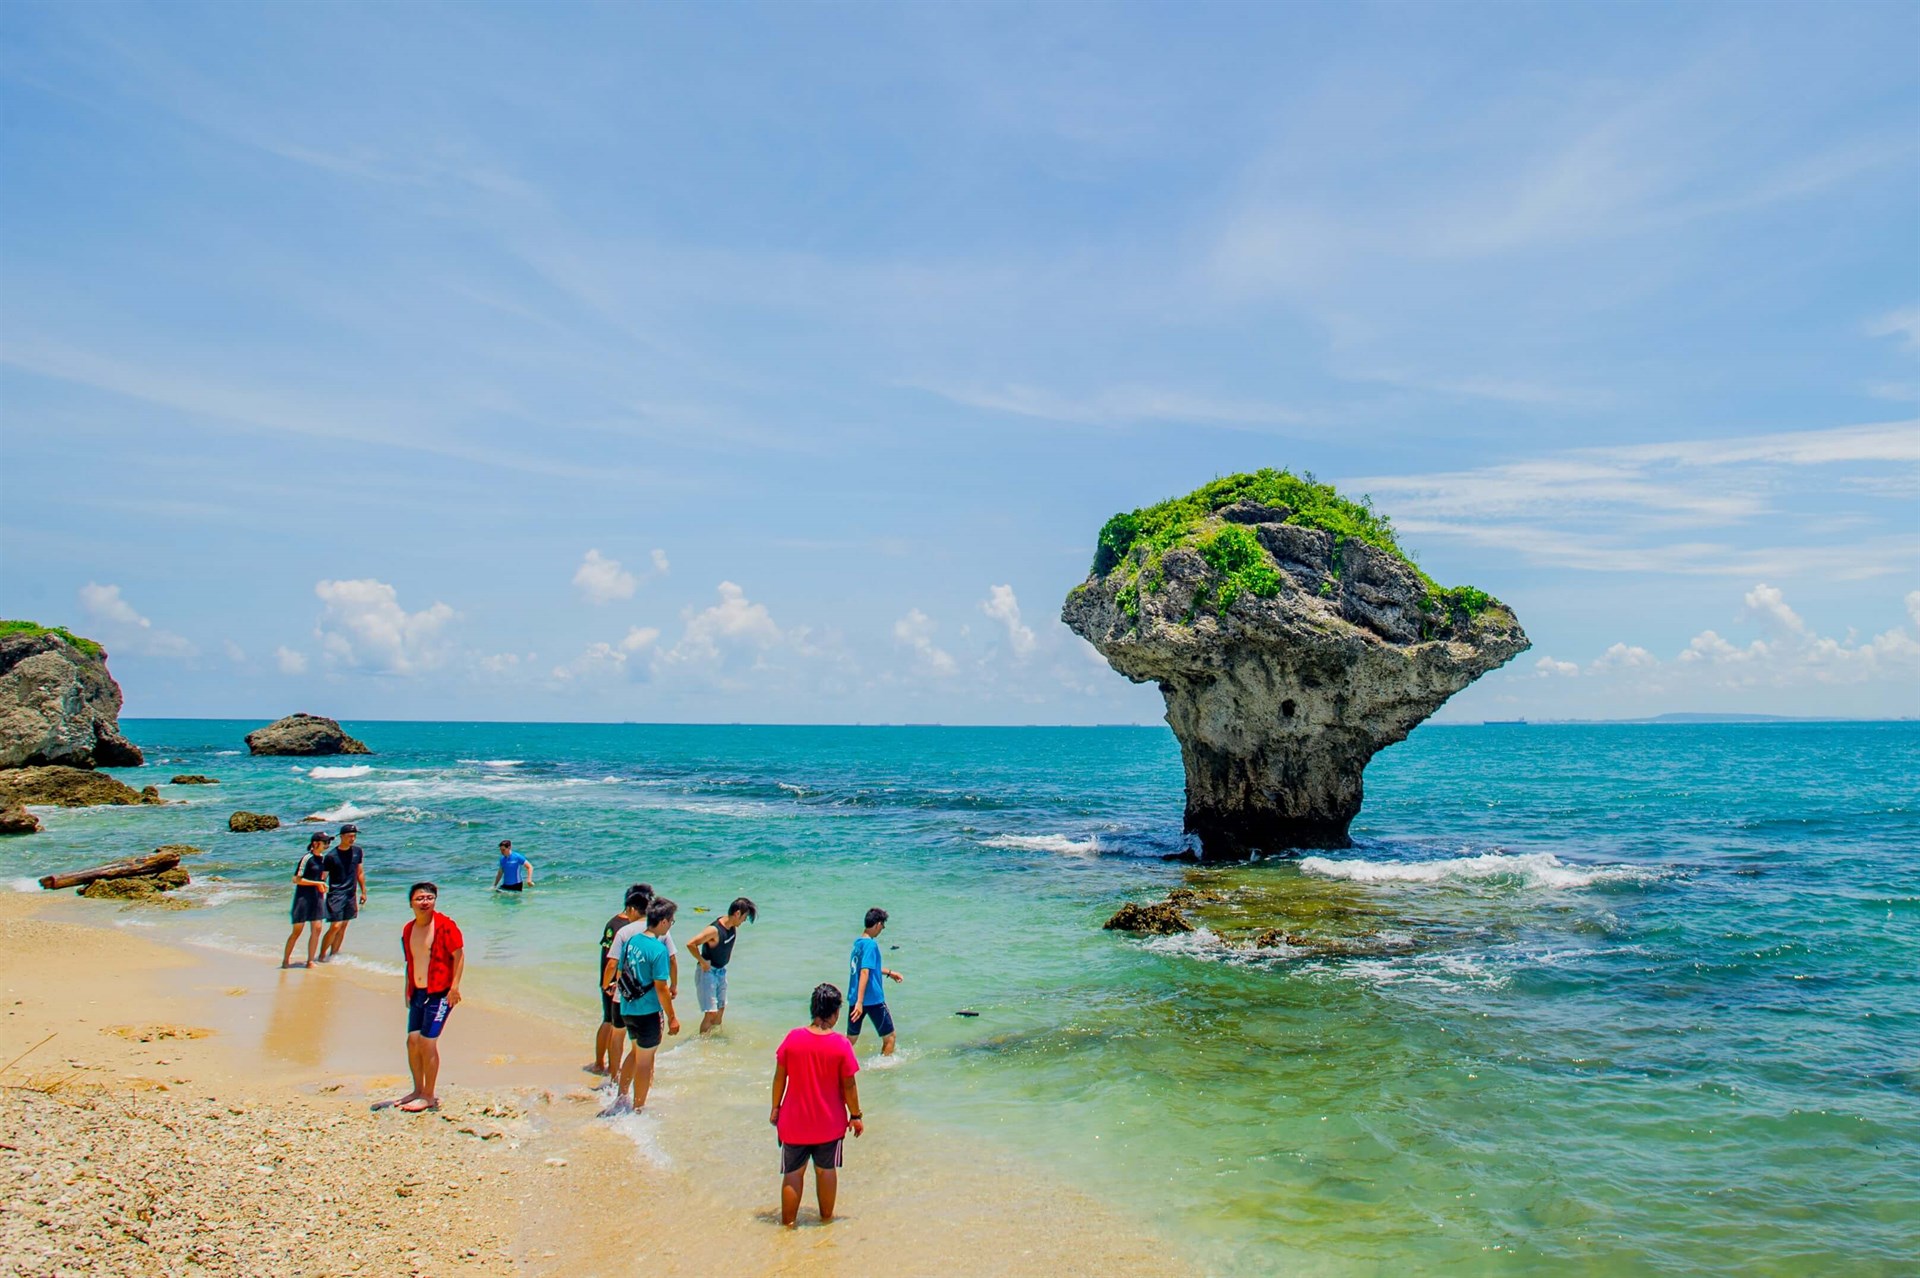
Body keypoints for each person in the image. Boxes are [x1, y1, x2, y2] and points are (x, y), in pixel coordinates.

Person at [771, 982, 864, 1228]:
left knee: (793, 1173)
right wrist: (856, 1115)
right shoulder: (841, 1044)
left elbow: (780, 1076)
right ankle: (826, 1223)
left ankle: (788, 1226)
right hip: (828, 1124)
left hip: (794, 1122)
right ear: (834, 1013)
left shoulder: (793, 1038)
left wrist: (775, 1108)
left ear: (813, 1009)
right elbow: (849, 1086)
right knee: (826, 1170)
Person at [384, 881, 464, 1114]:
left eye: (429, 898)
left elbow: (458, 955)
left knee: (428, 1043)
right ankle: (418, 1090)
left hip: (440, 994)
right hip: (418, 992)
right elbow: (411, 961)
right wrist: (407, 990)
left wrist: (455, 988)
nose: (425, 902)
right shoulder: (408, 929)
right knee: (412, 1042)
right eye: (420, 898)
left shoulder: (445, 926)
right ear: (410, 903)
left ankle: (429, 1095)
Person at [599, 896, 679, 1116]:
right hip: (648, 1012)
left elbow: (620, 970)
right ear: (662, 921)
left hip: (627, 1009)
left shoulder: (631, 941)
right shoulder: (658, 949)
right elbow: (661, 987)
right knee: (644, 1062)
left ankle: (621, 1096)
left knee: (634, 1053)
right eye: (671, 921)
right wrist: (672, 1016)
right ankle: (638, 1109)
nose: (671, 925)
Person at [590, 884, 650, 1075]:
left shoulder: (625, 925)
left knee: (615, 1025)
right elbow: (610, 959)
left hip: (619, 983)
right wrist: (607, 983)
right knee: (610, 1023)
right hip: (614, 983)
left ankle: (609, 1066)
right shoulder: (619, 926)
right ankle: (602, 1064)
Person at [685, 896, 757, 1034]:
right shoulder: (714, 930)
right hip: (708, 972)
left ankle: (714, 1041)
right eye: (744, 917)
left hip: (721, 971)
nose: (743, 921)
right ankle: (702, 1044)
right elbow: (691, 944)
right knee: (711, 1013)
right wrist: (702, 961)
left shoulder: (731, 926)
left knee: (721, 1009)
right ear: (737, 914)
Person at [847, 907, 904, 1056]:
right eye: (883, 925)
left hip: (855, 998)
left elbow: (868, 968)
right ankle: (884, 1072)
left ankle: (832, 1064)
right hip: (872, 1000)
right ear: (878, 924)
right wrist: (861, 1002)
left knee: (850, 1040)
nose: (883, 928)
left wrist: (890, 973)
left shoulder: (858, 943)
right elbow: (865, 971)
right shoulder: (871, 945)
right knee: (890, 1037)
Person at [316, 822, 367, 963]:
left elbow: (360, 872)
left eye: (354, 836)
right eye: (350, 836)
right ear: (342, 837)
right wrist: (318, 891)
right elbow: (323, 877)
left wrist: (363, 892)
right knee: (335, 926)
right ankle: (321, 956)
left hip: (351, 893)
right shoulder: (331, 856)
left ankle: (334, 955)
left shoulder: (358, 851)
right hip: (336, 894)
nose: (352, 839)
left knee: (343, 926)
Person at [281, 831, 331, 969]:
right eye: (325, 842)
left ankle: (310, 961)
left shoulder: (324, 859)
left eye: (328, 842)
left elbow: (322, 878)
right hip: (303, 898)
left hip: (318, 898)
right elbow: (296, 879)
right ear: (315, 844)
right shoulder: (307, 858)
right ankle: (285, 960)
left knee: (317, 928)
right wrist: (317, 884)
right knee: (298, 930)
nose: (327, 845)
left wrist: (322, 885)